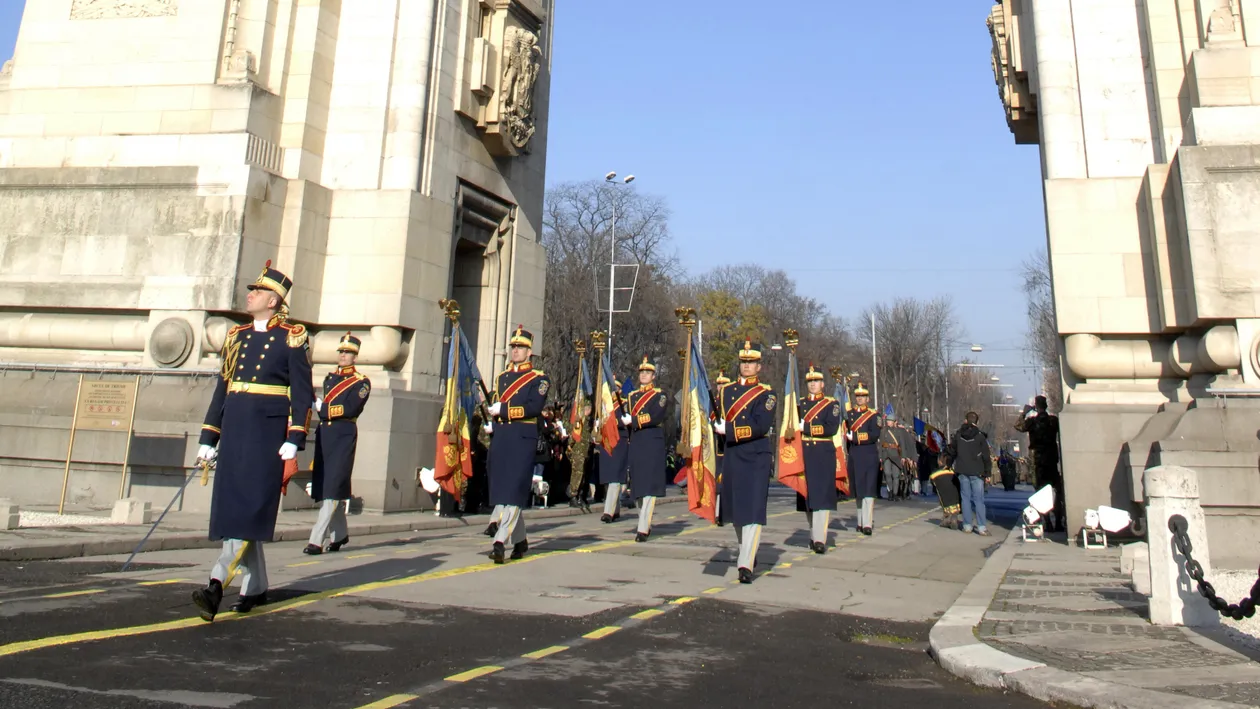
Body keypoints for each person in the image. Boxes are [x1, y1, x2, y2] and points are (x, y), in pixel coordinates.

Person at [192, 261, 314, 621]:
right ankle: (256, 585)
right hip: (236, 428)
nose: (250, 295)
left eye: (257, 291)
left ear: (274, 300)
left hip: (266, 434)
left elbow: (302, 394)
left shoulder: (292, 336)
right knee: (236, 509)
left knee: (249, 508)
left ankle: (216, 583)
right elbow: (222, 389)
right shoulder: (237, 336)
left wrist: (295, 437)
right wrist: (209, 436)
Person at [482, 326, 550, 563]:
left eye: (520, 347)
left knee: (513, 490)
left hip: (523, 437)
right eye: (513, 347)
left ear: (530, 351)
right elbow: (496, 404)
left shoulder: (539, 379)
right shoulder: (502, 378)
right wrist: (494, 417)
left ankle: (499, 542)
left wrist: (505, 410)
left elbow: (533, 407)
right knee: (505, 489)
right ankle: (520, 541)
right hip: (502, 437)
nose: (516, 351)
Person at [714, 340, 776, 583]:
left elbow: (760, 425)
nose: (747, 366)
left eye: (751, 363)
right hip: (733, 457)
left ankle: (745, 564)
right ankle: (747, 553)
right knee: (737, 512)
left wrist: (729, 429)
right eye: (744, 362)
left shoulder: (767, 394)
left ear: (759, 367)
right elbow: (716, 417)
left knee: (752, 510)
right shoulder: (726, 391)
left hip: (755, 457)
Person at [304, 333, 370, 554]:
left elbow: (351, 408)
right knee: (330, 486)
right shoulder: (330, 377)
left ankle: (315, 540)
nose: (343, 355)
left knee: (333, 486)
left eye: (348, 352)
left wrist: (322, 409)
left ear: (355, 356)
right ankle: (340, 535)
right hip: (326, 434)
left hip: (343, 434)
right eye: (341, 351)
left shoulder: (361, 382)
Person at [795, 364, 842, 554]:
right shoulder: (800, 403)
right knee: (808, 498)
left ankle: (820, 539)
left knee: (821, 498)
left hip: (823, 453)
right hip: (804, 453)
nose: (813, 385)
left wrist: (805, 427)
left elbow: (831, 428)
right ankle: (813, 533)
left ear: (823, 384)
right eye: (810, 382)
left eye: (816, 381)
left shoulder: (832, 404)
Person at [626, 356, 668, 542]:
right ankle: (643, 521)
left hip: (652, 442)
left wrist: (634, 420)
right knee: (638, 487)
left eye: (647, 372)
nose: (644, 375)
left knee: (649, 487)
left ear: (653, 375)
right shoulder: (632, 396)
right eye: (642, 372)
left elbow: (655, 416)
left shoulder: (660, 395)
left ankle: (643, 528)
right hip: (637, 441)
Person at [1016, 395, 1063, 531]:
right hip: (1052, 460)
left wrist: (1024, 412)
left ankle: (1047, 522)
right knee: (1057, 491)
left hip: (1038, 461)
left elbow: (1018, 426)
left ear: (1036, 407)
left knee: (1041, 493)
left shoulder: (1032, 421)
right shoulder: (1053, 421)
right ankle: (1059, 521)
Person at [845, 383, 881, 535]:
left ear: (868, 398)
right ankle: (860, 521)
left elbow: (874, 434)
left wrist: (856, 437)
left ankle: (867, 523)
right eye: (857, 396)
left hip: (869, 455)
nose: (859, 399)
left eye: (862, 396)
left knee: (868, 490)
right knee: (858, 490)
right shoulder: (850, 414)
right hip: (855, 455)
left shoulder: (874, 415)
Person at [950, 411, 992, 536]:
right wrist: (988, 473)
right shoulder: (980, 436)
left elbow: (952, 451)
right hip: (977, 471)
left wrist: (948, 465)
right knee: (979, 500)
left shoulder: (958, 435)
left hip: (962, 470)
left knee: (965, 499)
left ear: (965, 421)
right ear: (976, 422)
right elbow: (986, 456)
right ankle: (981, 527)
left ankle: (967, 525)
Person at [598, 377, 630, 523]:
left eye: (615, 389)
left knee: (615, 477)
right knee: (608, 477)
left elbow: (627, 422)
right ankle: (615, 510)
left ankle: (608, 512)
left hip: (619, 441)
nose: (612, 392)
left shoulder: (625, 404)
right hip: (606, 443)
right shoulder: (604, 406)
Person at [713, 370, 730, 526]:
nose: (721, 386)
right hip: (717, 445)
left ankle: (725, 511)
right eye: (719, 384)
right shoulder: (715, 402)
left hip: (729, 444)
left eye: (724, 384)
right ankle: (718, 512)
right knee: (717, 481)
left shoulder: (730, 400)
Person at [930, 453, 962, 529]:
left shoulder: (934, 474)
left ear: (939, 461)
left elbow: (933, 485)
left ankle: (947, 519)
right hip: (956, 500)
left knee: (941, 494)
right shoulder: (953, 472)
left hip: (945, 500)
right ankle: (954, 517)